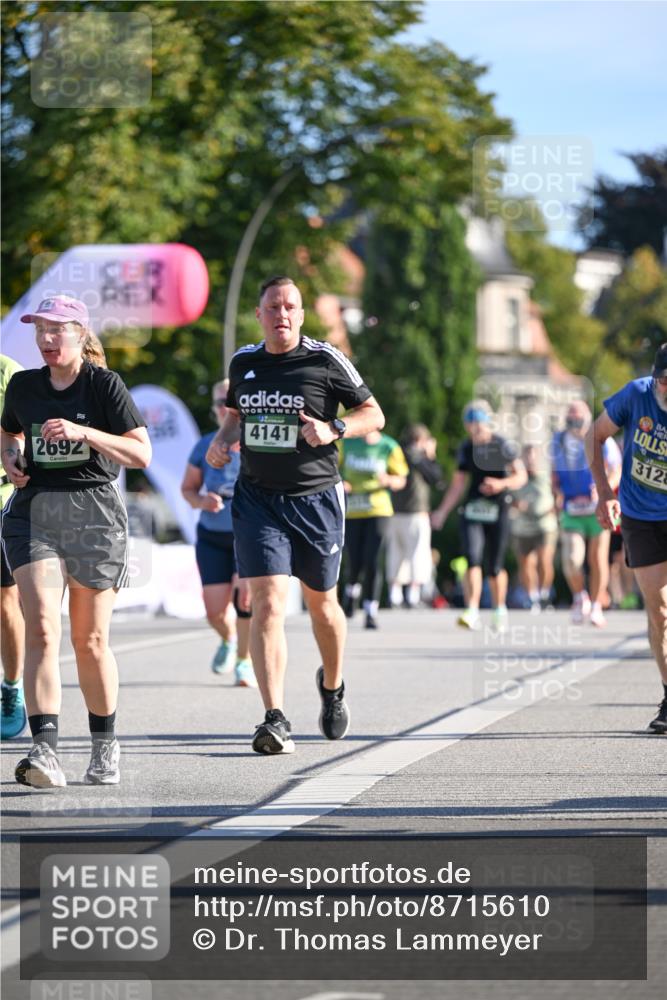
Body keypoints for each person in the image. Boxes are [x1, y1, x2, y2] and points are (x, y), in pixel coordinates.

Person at [205, 275, 384, 755]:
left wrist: (334, 428)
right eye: (273, 307)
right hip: (258, 499)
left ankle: (333, 684)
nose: (281, 314)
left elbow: (374, 413)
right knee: (266, 601)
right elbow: (234, 415)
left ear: (300, 315)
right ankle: (275, 717)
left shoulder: (324, 359)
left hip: (316, 499)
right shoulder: (244, 361)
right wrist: (223, 444)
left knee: (322, 604)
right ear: (259, 314)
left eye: (290, 307)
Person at [0, 295, 151, 787]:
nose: (46, 339)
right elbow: (7, 433)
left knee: (89, 640)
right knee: (42, 627)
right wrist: (11, 457)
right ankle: (44, 753)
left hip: (94, 515)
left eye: (56, 330)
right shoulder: (23, 386)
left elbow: (140, 453)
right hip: (35, 513)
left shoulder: (104, 385)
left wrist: (85, 433)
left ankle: (104, 746)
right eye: (40, 329)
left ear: (80, 335)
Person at [586, 344, 667, 734]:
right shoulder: (635, 395)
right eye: (664, 382)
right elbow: (595, 434)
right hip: (640, 515)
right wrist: (604, 492)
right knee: (660, 611)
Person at [181, 378, 256, 687]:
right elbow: (187, 489)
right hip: (212, 535)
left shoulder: (254, 441)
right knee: (214, 611)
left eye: (229, 400)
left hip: (247, 535)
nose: (223, 406)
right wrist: (201, 500)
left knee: (245, 600)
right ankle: (229, 640)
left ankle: (244, 660)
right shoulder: (204, 445)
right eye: (218, 402)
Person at [431, 400, 526, 631]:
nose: (475, 431)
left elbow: (520, 476)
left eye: (479, 426)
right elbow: (457, 485)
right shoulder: (466, 448)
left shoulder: (502, 445)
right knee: (472, 557)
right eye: (471, 426)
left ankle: (498, 609)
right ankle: (471, 609)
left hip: (498, 509)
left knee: (494, 566)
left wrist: (501, 484)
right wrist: (442, 511)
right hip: (473, 509)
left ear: (487, 424)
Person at [551, 399, 622, 626]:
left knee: (598, 557)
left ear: (587, 419)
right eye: (570, 418)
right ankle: (580, 596)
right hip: (572, 507)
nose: (574, 423)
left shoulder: (602, 439)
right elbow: (553, 474)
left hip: (598, 506)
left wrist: (604, 488)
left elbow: (616, 470)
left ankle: (597, 605)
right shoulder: (558, 441)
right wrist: (556, 492)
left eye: (578, 418)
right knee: (571, 558)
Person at [340, 429, 408, 629]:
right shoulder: (348, 443)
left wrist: (388, 480)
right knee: (354, 559)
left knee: (372, 559)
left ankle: (371, 610)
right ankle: (351, 593)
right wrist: (342, 483)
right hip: (353, 510)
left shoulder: (389, 446)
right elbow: (334, 468)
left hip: (379, 509)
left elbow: (401, 479)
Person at [386, 423, 446, 609]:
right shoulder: (415, 455)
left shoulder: (396, 451)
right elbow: (436, 478)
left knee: (397, 553)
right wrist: (431, 456)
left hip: (395, 511)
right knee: (416, 554)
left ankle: (395, 594)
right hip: (414, 512)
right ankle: (412, 595)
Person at [1, 353, 27, 740]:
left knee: (5, 601)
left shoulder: (9, 372)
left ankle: (11, 687)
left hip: (2, 496)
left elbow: (17, 434)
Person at [511, 444, 558, 612]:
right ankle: (532, 597)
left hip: (545, 524)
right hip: (522, 526)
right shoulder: (516, 477)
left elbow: (558, 494)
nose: (530, 460)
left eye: (533, 456)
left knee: (545, 560)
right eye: (527, 456)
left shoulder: (547, 476)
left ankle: (544, 594)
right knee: (526, 563)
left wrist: (555, 508)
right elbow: (508, 498)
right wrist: (516, 504)